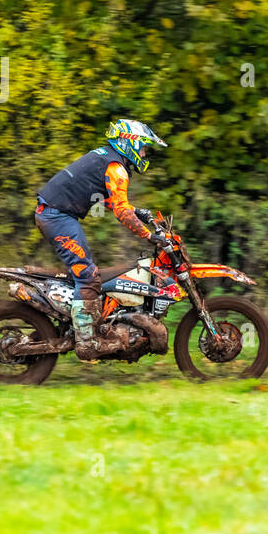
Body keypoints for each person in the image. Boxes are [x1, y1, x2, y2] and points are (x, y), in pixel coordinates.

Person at [34, 119, 169, 359]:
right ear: (131, 143)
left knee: (86, 273)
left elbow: (105, 198)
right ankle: (86, 342)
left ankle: (86, 323)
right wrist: (149, 236)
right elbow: (120, 211)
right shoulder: (116, 167)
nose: (145, 154)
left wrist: (138, 212)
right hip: (57, 216)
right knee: (87, 276)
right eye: (144, 148)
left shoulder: (106, 157)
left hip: (56, 213)